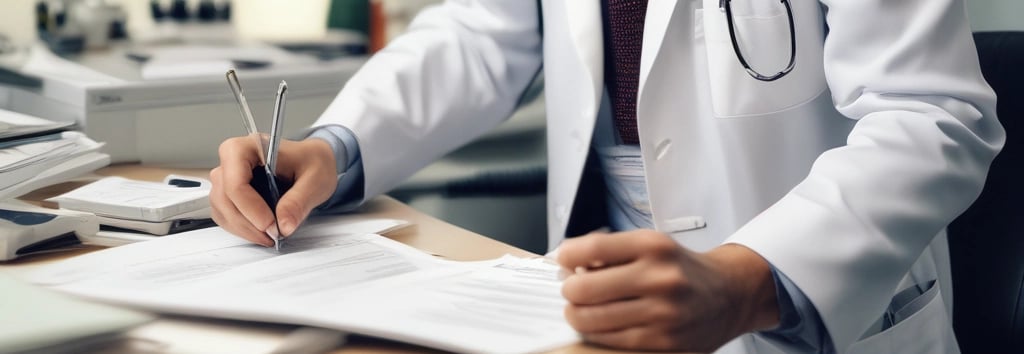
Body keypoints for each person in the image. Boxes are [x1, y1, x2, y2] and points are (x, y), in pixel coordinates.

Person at [210, 0, 1003, 353]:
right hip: (601, 306)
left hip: (801, 302)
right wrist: (336, 148)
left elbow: (933, 114)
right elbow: (483, 33)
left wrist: (746, 282)